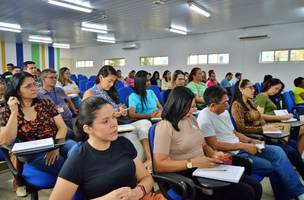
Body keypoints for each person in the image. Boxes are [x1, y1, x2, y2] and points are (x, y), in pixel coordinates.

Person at [153, 86, 262, 200]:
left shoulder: (191, 119)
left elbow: (203, 145)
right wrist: (192, 163)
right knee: (246, 192)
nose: (193, 110)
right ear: (178, 105)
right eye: (189, 107)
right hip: (184, 176)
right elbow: (159, 165)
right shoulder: (165, 126)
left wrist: (213, 154)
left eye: (193, 106)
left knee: (255, 186)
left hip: (203, 168)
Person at [198, 86, 304, 200]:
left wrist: (250, 140)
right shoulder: (204, 119)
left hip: (241, 146)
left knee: (278, 151)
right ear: (213, 105)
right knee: (273, 166)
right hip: (232, 154)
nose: (227, 104)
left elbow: (234, 132)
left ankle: (297, 192)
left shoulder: (224, 112)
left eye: (227, 101)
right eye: (224, 102)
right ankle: (290, 194)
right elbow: (215, 145)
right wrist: (243, 145)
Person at [49, 96, 160, 200]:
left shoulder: (124, 143)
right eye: (105, 121)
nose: (114, 124)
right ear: (88, 129)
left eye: (113, 117)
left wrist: (137, 192)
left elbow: (147, 178)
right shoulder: (78, 158)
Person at [0, 72, 75, 196]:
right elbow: (6, 140)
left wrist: (55, 147)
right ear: (17, 90)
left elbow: (62, 127)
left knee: (76, 149)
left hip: (57, 141)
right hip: (34, 152)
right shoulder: (7, 110)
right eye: (28, 86)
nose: (34, 88)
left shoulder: (45, 103)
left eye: (35, 84)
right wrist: (14, 112)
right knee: (61, 163)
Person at [231, 79, 304, 180]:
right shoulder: (236, 105)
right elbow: (241, 128)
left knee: (292, 145)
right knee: (290, 150)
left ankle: (293, 173)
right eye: (250, 88)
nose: (254, 90)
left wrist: (269, 127)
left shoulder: (250, 102)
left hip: (265, 132)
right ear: (241, 89)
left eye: (254, 87)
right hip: (256, 137)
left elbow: (260, 118)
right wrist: (264, 129)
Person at [83, 66, 153, 169]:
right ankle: (140, 168)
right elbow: (87, 117)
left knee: (146, 123)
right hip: (111, 127)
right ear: (101, 77)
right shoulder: (90, 93)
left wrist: (122, 109)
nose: (111, 84)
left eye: (114, 82)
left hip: (124, 123)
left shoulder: (111, 92)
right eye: (109, 81)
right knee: (134, 143)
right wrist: (111, 114)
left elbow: (120, 106)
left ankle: (147, 161)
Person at [255, 78, 304, 154]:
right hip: (271, 125)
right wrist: (281, 117)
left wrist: (283, 116)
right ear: (269, 85)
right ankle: (296, 155)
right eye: (276, 88)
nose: (277, 91)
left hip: (277, 121)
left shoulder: (268, 97)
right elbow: (259, 115)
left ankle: (297, 155)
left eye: (278, 90)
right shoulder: (262, 96)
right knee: (302, 129)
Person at [39, 69, 78, 138]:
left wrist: (74, 110)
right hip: (56, 122)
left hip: (68, 118)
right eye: (51, 77)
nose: (54, 80)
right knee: (71, 134)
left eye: (55, 77)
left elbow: (68, 99)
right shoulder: (39, 94)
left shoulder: (59, 90)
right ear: (43, 79)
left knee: (74, 135)